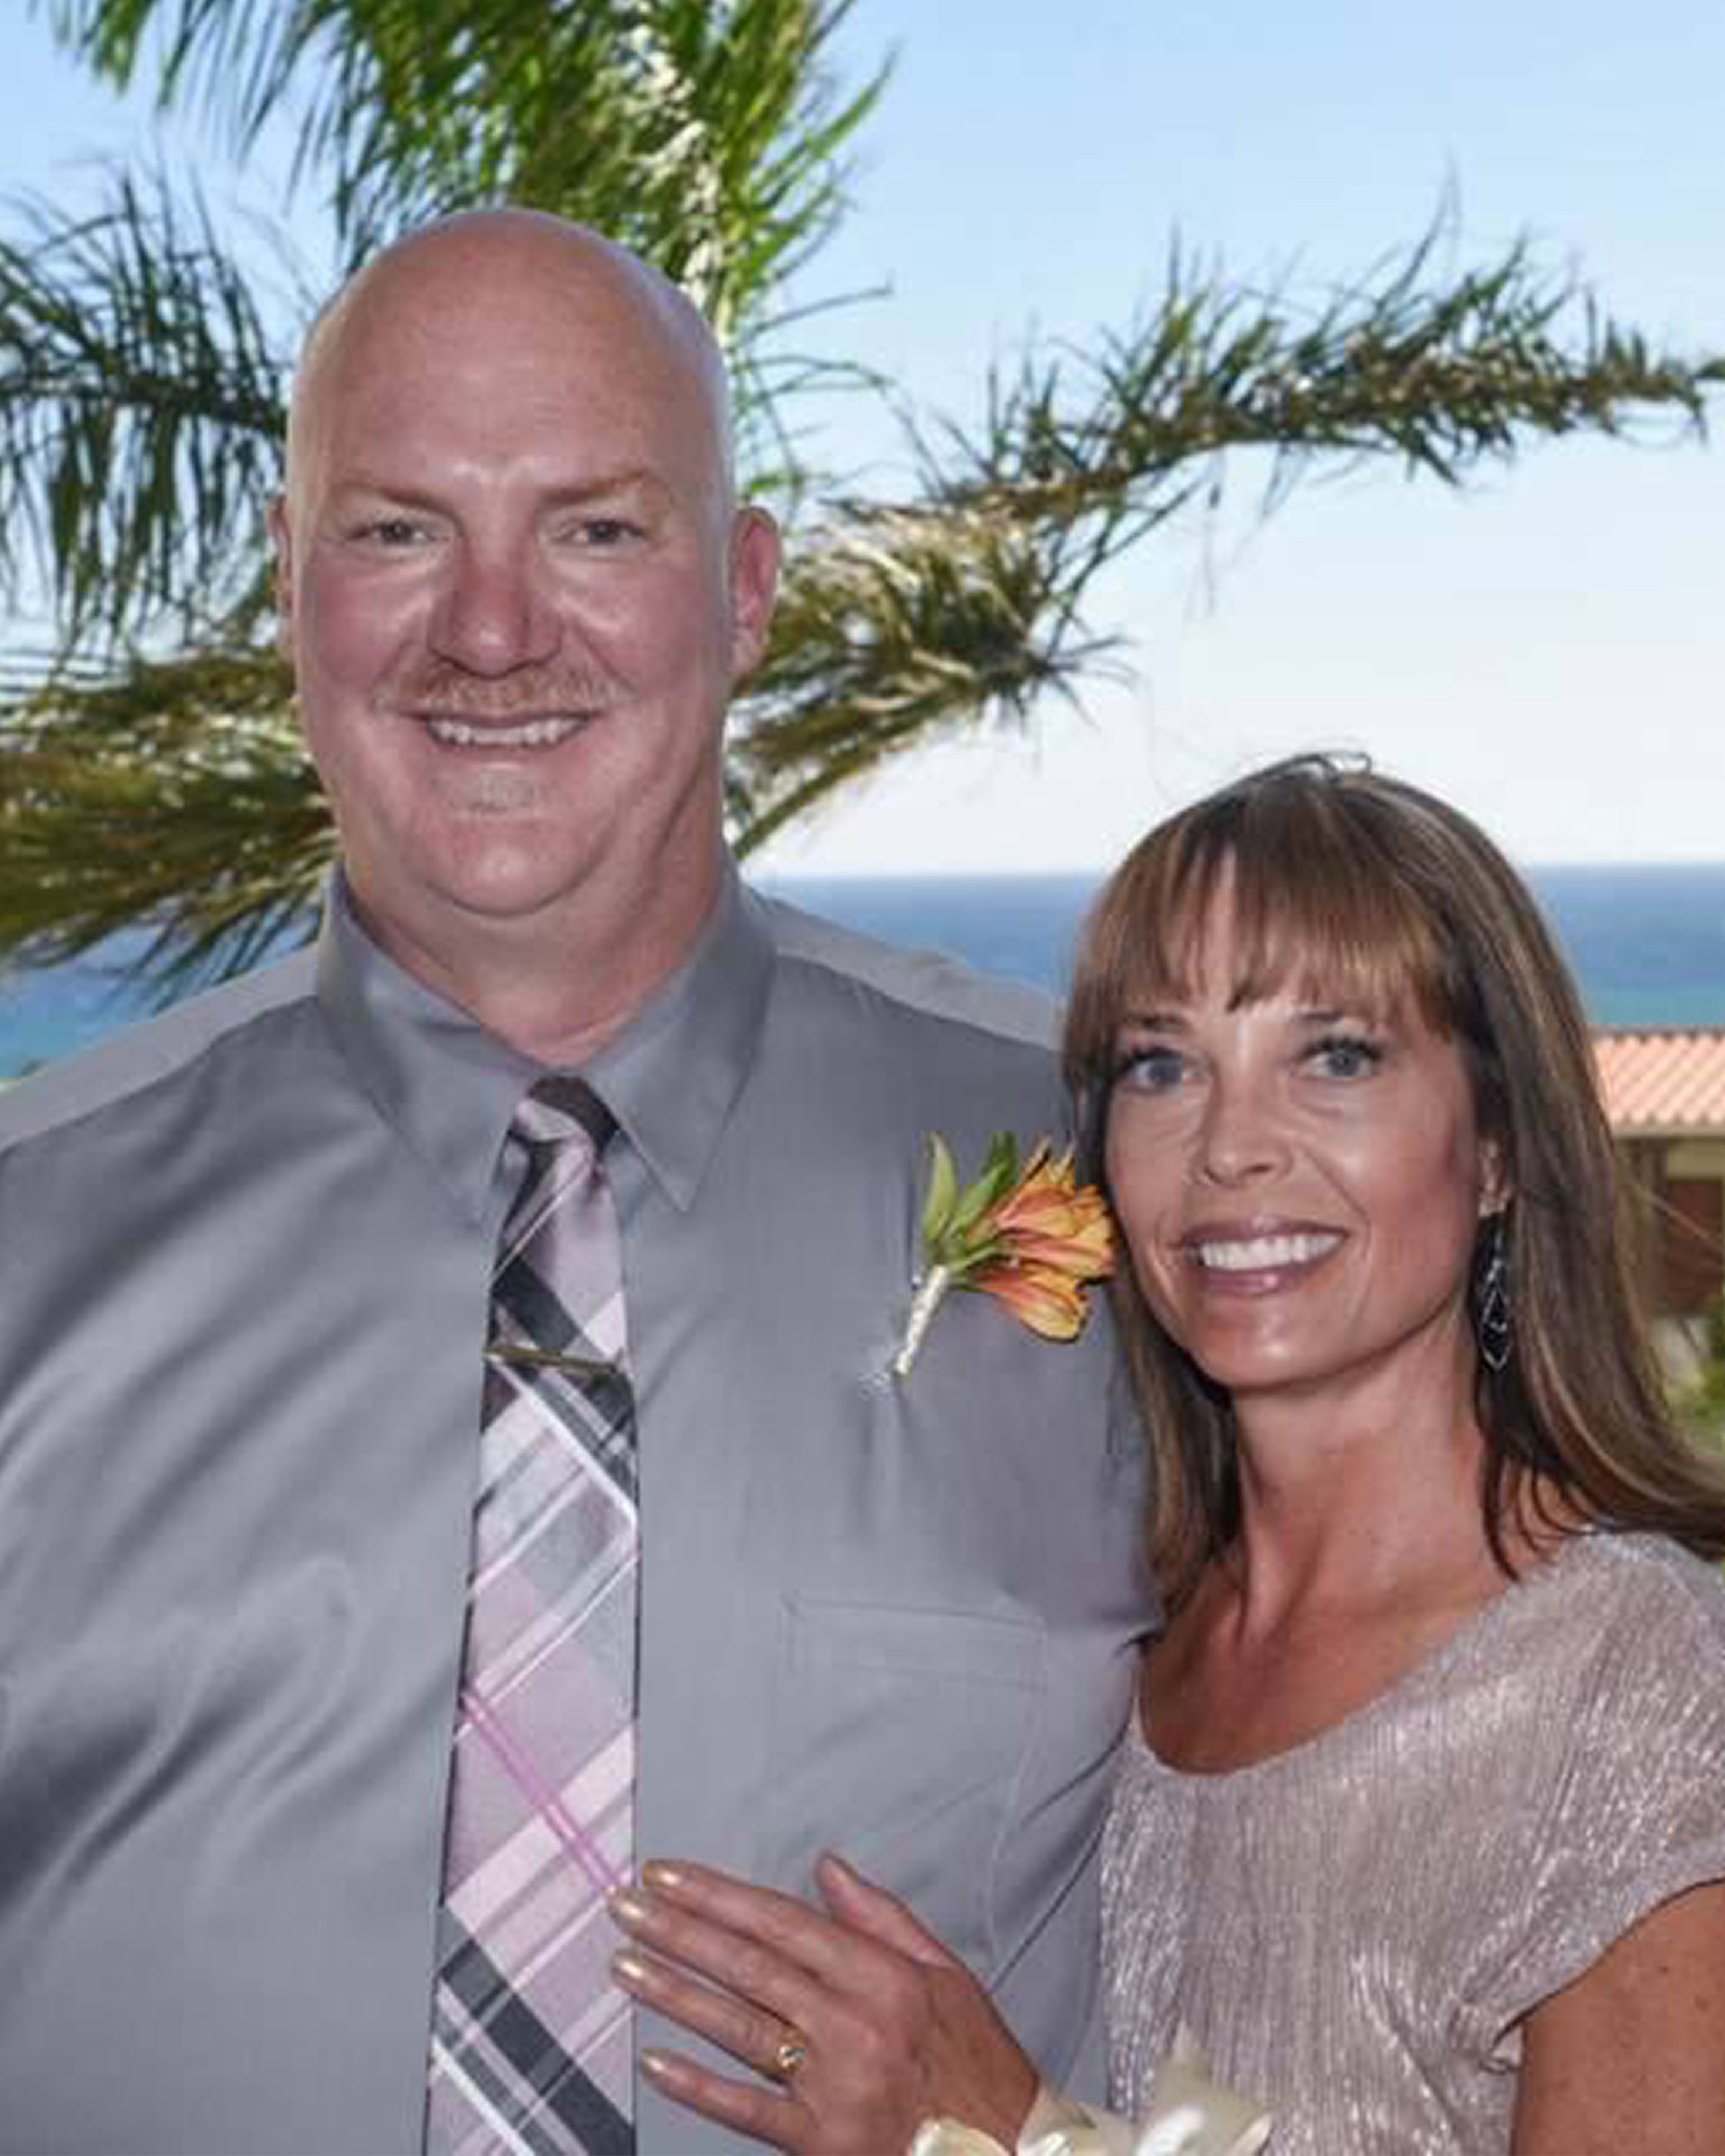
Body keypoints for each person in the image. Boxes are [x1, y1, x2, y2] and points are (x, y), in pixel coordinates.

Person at [0, 210, 1147, 2155]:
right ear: (293, 590)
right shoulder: (25, 1240)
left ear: (748, 589)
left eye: (599, 528)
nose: (496, 630)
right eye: (396, 530)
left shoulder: (1121, 1200)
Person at [617, 756, 1725, 2154]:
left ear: (1497, 1143)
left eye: (1337, 1055)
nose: (1230, 1148)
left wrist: (1005, 2139)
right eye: (1162, 1064)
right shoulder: (1121, 1638)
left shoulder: (1633, 1686)